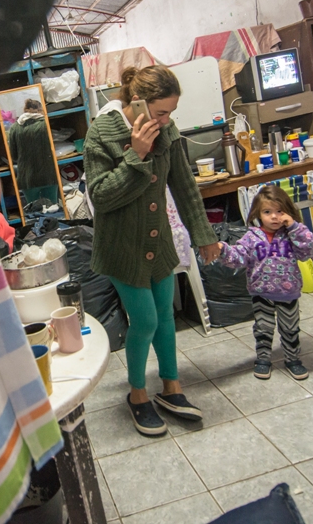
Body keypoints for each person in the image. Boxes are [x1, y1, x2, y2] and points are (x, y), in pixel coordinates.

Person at [84, 66, 220, 437]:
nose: (166, 120)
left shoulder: (168, 131)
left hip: (157, 242)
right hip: (120, 247)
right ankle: (138, 395)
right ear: (137, 102)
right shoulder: (103, 133)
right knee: (143, 321)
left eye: (171, 112)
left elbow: (184, 184)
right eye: (160, 112)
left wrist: (203, 234)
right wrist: (136, 155)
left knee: (164, 317)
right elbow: (100, 196)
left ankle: (172, 388)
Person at [216, 184, 313, 381]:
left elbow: (309, 250)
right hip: (260, 293)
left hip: (288, 294)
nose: (274, 217)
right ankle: (263, 359)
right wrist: (222, 249)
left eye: (280, 211)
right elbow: (238, 257)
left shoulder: (293, 234)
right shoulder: (252, 237)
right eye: (267, 211)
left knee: (290, 328)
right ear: (258, 213)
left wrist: (295, 227)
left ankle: (293, 359)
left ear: (288, 212)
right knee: (263, 328)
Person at [7, 98, 60, 205]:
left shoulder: (15, 128)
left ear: (25, 110)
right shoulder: (46, 124)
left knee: (33, 212)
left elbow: (13, 156)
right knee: (53, 210)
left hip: (27, 178)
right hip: (48, 175)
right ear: (40, 109)